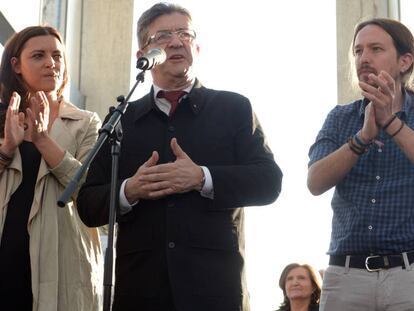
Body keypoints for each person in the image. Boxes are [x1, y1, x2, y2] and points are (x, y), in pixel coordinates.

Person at [77, 2, 283, 311]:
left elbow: (269, 182)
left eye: (184, 33)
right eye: (162, 36)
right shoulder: (122, 118)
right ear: (142, 56)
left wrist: (202, 177)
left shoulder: (234, 108)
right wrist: (128, 190)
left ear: (196, 47)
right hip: (141, 292)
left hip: (215, 291)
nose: (176, 41)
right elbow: (87, 204)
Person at [308, 18, 414, 311]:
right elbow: (315, 182)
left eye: (376, 49)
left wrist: (391, 123)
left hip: (410, 274)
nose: (364, 58)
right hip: (346, 277)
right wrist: (363, 137)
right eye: (357, 51)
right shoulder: (340, 118)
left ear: (405, 61)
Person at [0, 26, 103, 311]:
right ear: (16, 66)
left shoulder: (86, 123)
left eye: (57, 55)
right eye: (38, 55)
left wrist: (43, 140)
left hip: (61, 267)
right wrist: (6, 150)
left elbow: (91, 194)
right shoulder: (3, 117)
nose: (51, 63)